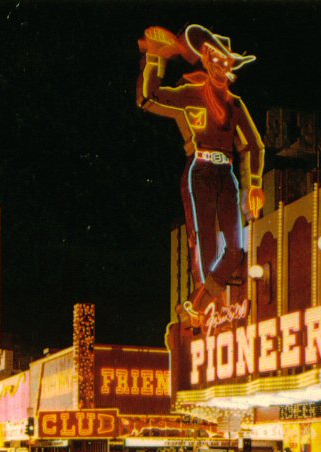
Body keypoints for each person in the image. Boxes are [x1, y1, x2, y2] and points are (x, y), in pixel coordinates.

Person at [137, 24, 265, 325]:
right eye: (216, 60)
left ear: (232, 65)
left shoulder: (235, 104)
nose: (221, 66)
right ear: (206, 59)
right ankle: (207, 307)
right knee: (206, 244)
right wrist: (156, 59)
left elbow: (255, 146)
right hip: (201, 170)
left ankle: (199, 304)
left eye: (227, 61)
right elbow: (149, 98)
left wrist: (254, 184)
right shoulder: (192, 93)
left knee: (235, 250)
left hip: (227, 175)